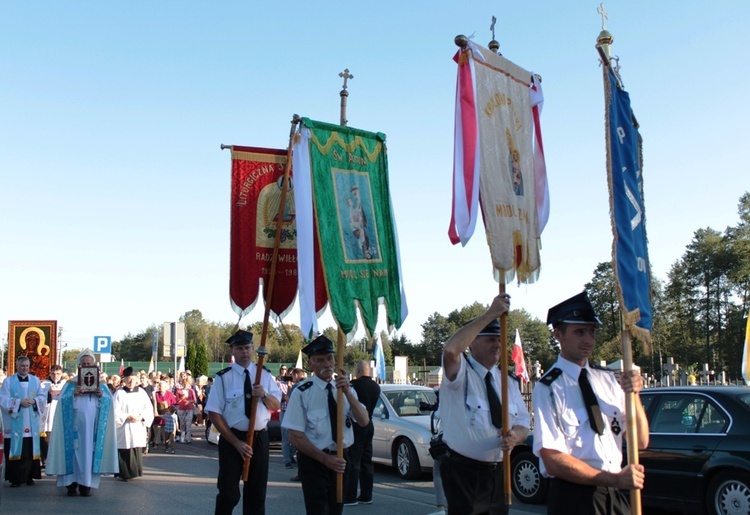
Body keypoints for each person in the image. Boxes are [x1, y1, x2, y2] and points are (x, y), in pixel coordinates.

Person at [532, 291, 649, 515]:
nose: (589, 340)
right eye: (580, 332)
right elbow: (553, 460)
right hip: (573, 498)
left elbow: (640, 440)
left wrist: (634, 395)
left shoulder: (606, 380)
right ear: (558, 334)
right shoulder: (549, 388)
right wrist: (613, 479)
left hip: (614, 493)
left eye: (592, 332)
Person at [439, 294, 531, 515]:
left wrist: (515, 436)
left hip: (499, 473)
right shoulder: (460, 375)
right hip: (464, 473)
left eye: (499, 340)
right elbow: (451, 350)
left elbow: (523, 423)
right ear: (472, 342)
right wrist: (491, 313)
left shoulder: (507, 382)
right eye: (491, 339)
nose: (497, 345)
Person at [282, 335, 370, 515]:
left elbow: (363, 421)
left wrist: (348, 393)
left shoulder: (346, 389)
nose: (326, 364)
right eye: (320, 360)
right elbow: (295, 436)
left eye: (329, 358)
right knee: (319, 511)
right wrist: (324, 459)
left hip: (341, 460)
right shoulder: (302, 392)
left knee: (336, 510)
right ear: (311, 364)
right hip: (315, 461)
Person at [205, 329, 282, 515]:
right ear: (232, 351)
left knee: (256, 495)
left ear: (253, 348)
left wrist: (263, 394)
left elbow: (276, 404)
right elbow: (214, 413)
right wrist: (236, 443)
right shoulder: (223, 378)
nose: (244, 352)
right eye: (239, 348)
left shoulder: (263, 374)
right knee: (228, 493)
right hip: (233, 439)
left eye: (247, 347)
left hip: (259, 439)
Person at [46, 349, 118, 496]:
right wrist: (72, 394)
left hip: (92, 427)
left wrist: (101, 396)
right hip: (73, 426)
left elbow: (109, 403)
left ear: (94, 365)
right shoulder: (71, 383)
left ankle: (86, 484)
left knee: (88, 453)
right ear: (79, 365)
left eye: (88, 363)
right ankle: (71, 484)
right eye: (83, 363)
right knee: (72, 453)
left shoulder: (101, 383)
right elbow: (61, 403)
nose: (86, 365)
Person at [0, 356, 46, 487]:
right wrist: (19, 402)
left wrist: (34, 401)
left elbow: (42, 396)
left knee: (29, 449)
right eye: (22, 366)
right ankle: (16, 478)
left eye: (27, 366)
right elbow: (3, 399)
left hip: (31, 421)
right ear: (17, 366)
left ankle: (30, 476)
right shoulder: (8, 381)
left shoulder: (35, 380)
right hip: (15, 421)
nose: (25, 368)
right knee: (17, 449)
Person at [344, 360, 381, 506]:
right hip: (369, 423)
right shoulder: (376, 386)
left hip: (356, 423)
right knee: (367, 460)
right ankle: (367, 495)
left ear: (358, 371)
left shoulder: (354, 386)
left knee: (353, 460)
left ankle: (350, 495)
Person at [114, 367, 155, 481]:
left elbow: (148, 408)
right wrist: (126, 416)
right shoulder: (119, 393)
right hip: (125, 426)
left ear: (136, 380)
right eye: (128, 379)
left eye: (133, 379)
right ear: (124, 380)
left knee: (135, 448)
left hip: (137, 425)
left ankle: (135, 471)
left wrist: (141, 417)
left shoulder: (141, 392)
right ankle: (124, 473)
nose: (131, 382)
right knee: (125, 448)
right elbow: (114, 411)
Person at [40, 364, 65, 466]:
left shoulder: (65, 384)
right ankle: (45, 459)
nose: (55, 376)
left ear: (61, 374)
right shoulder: (44, 384)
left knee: (59, 438)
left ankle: (57, 459)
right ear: (50, 373)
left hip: (59, 412)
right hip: (47, 413)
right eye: (53, 374)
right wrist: (48, 391)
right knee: (46, 438)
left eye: (58, 374)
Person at [176, 374, 197, 443]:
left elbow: (194, 400)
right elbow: (177, 401)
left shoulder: (191, 391)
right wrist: (182, 397)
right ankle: (182, 438)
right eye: (184, 384)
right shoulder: (179, 391)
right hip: (181, 409)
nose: (186, 385)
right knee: (182, 424)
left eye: (187, 384)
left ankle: (188, 438)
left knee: (188, 423)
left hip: (189, 408)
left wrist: (189, 401)